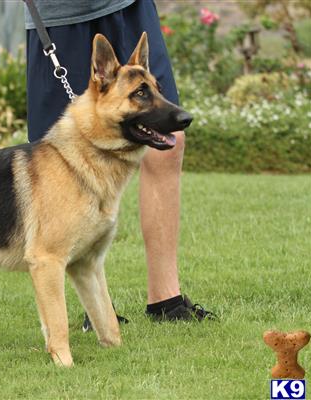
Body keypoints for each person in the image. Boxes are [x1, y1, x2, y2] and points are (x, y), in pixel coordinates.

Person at [24, 0, 215, 324]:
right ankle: (95, 309)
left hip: (126, 6)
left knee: (168, 137)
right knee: (62, 156)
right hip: (58, 13)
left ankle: (166, 300)